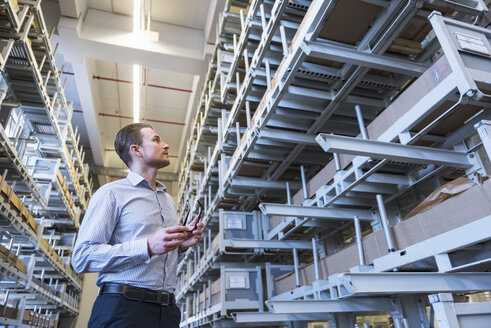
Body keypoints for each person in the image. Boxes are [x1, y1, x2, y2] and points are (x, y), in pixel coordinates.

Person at [72, 123, 203, 328]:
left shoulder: (167, 200)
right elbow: (82, 257)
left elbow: (158, 260)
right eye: (157, 140)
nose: (166, 145)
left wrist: (180, 248)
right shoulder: (112, 193)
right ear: (136, 150)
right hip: (124, 309)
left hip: (167, 311)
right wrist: (147, 246)